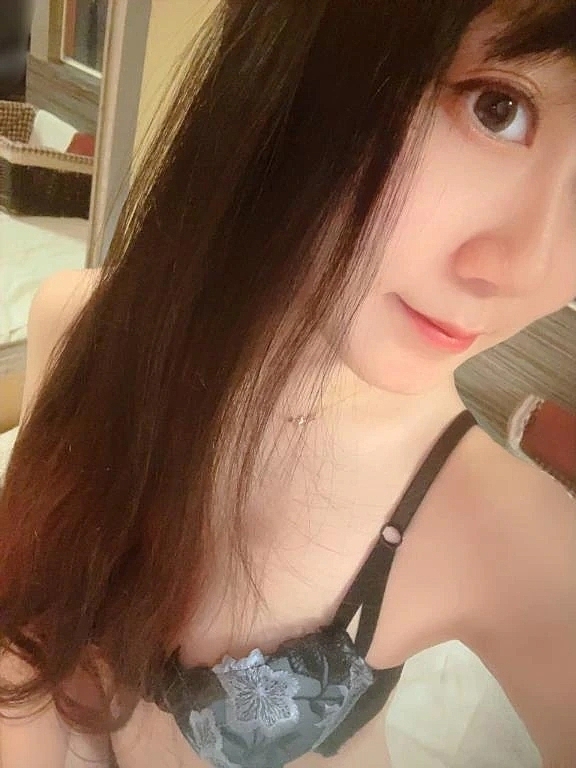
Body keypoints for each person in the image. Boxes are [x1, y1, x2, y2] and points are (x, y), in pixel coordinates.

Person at [0, 0, 575, 766]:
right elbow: (24, 652)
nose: (528, 270)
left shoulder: (508, 529)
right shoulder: (81, 326)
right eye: (496, 109)